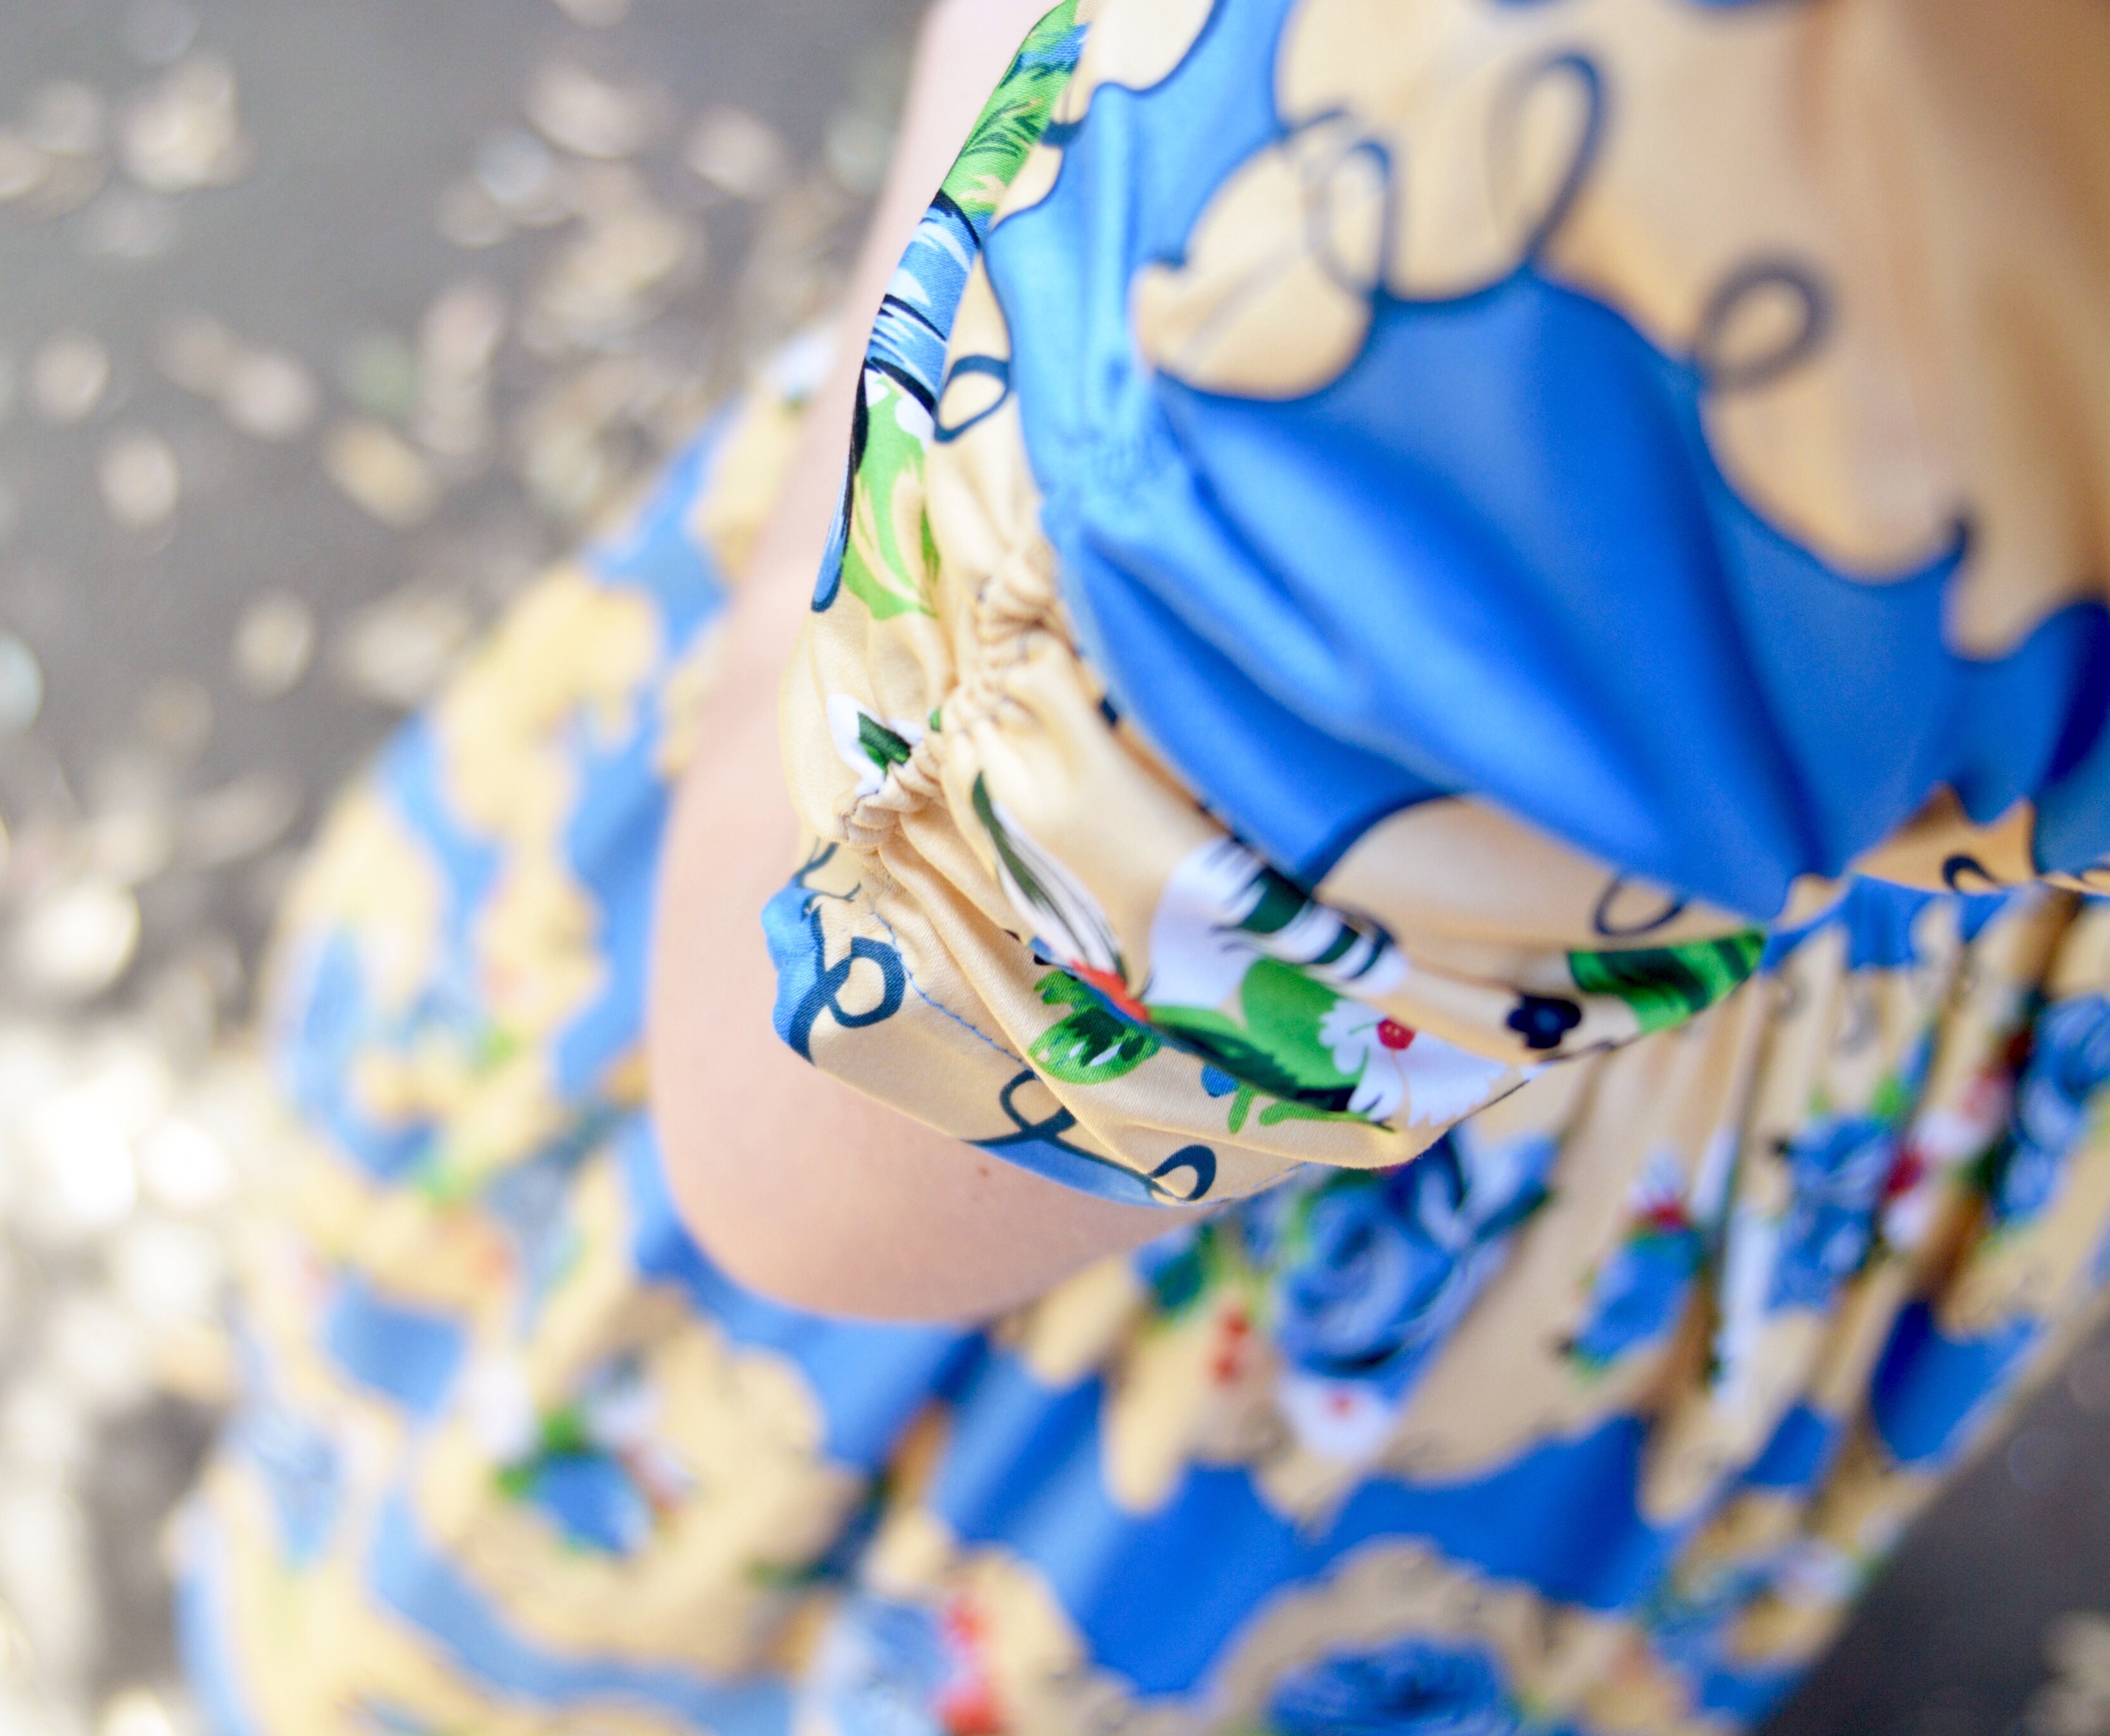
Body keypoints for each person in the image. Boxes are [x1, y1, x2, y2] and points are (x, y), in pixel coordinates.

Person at [177, 0, 2110, 1730]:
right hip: (1867, 1026)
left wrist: (873, 439)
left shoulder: (1682, 136)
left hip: (1148, 1225)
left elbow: (848, 1123)